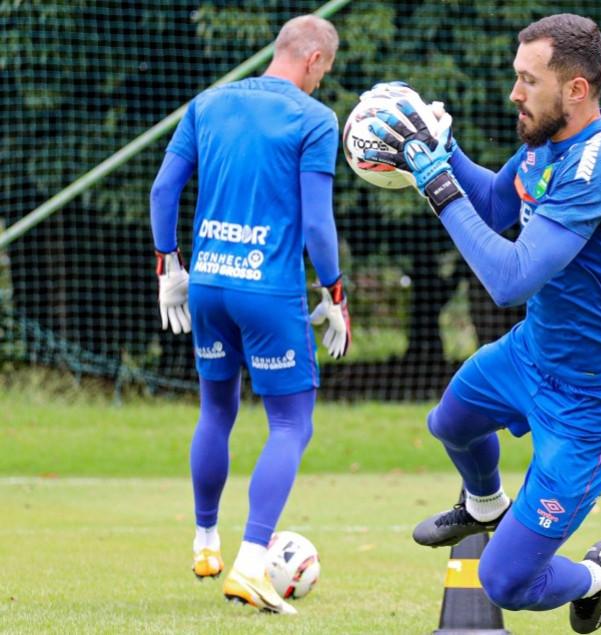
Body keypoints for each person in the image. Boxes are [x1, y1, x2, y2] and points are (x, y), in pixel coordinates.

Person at [366, 13, 601, 633]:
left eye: (528, 81)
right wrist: (444, 153)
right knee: (450, 421)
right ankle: (483, 503)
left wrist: (437, 186)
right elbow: (500, 202)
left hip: (594, 399)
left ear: (576, 89)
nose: (514, 94)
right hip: (533, 354)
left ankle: (595, 576)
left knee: (505, 582)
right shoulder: (550, 140)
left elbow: (510, 280)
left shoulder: (596, 167)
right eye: (516, 77)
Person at [148, 14, 350, 615]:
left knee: (217, 409)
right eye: (325, 72)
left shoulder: (208, 104)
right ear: (314, 61)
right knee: (291, 424)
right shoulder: (313, 119)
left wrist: (170, 267)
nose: (321, 83)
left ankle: (205, 540)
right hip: (267, 292)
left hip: (208, 284)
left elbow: (163, 190)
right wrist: (335, 293)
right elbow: (316, 223)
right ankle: (250, 564)